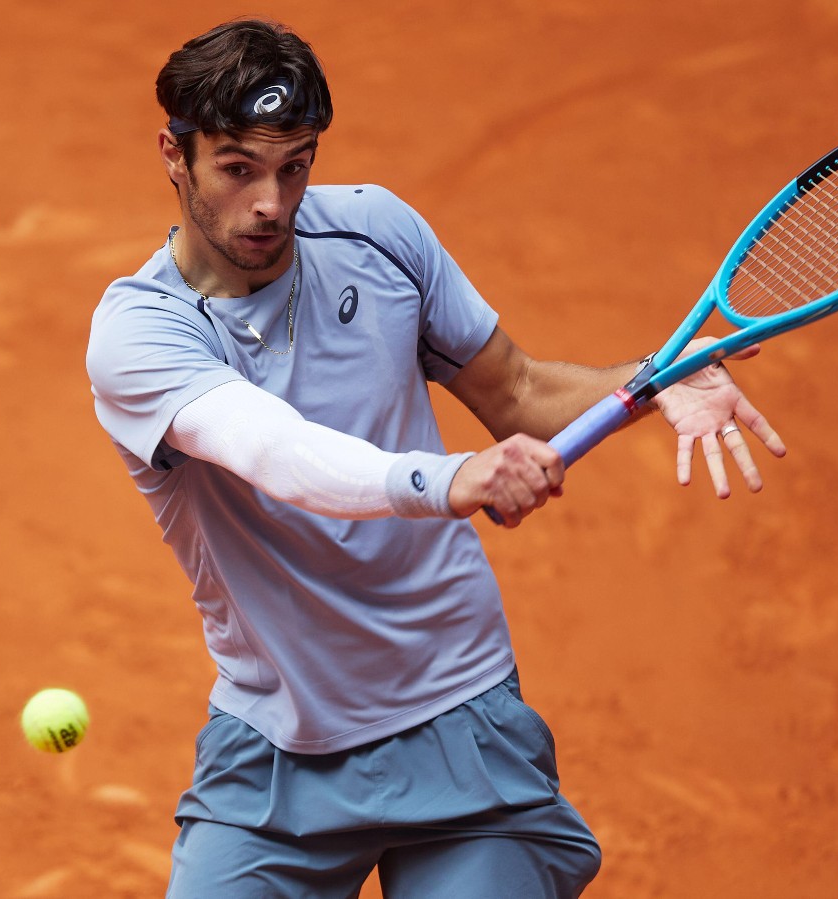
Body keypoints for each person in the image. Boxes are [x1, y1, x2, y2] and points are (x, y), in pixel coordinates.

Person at [85, 18, 786, 898]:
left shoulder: (379, 236)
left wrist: (656, 379)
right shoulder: (140, 332)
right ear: (174, 156)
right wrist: (452, 478)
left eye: (295, 166)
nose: (271, 202)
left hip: (458, 716)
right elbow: (276, 452)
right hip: (276, 746)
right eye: (238, 168)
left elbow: (517, 391)